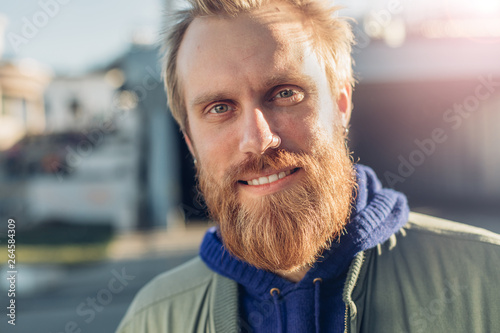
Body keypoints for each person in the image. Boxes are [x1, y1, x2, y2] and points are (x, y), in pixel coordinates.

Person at [116, 0, 500, 332]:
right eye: (219, 108)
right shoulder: (151, 319)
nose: (257, 139)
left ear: (341, 105)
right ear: (190, 142)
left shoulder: (488, 280)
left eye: (285, 93)